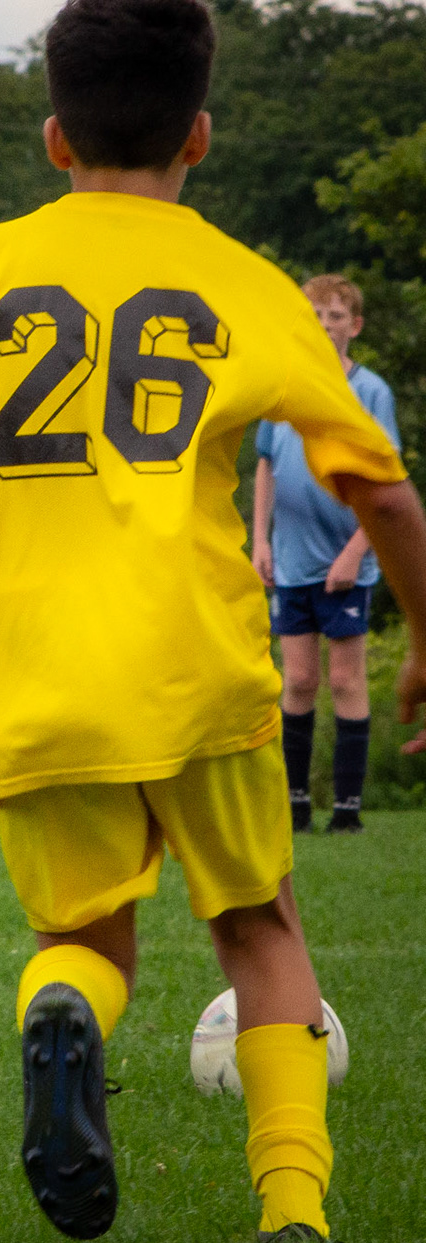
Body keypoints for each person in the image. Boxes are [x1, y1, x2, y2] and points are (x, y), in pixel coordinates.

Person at [0, 0, 426, 1243]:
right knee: (259, 925)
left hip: (35, 682)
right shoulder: (246, 284)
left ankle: (67, 1010)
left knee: (84, 936)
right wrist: (424, 639)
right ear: (199, 136)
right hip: (199, 669)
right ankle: (293, 1207)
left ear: (55, 138)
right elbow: (383, 491)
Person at [252, 275, 403, 833]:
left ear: (354, 326)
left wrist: (357, 551)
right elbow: (266, 465)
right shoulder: (282, 388)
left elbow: (386, 480)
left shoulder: (370, 392)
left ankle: (346, 810)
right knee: (296, 681)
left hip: (345, 561)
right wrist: (261, 539)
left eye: (335, 316)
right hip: (291, 559)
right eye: (315, 315)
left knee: (345, 680)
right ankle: (293, 806)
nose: (324, 325)